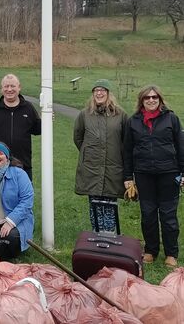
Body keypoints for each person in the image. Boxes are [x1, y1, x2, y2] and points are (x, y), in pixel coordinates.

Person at [124, 85, 184, 268]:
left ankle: (171, 253)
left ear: (160, 99)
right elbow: (127, 150)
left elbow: (181, 147)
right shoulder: (133, 121)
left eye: (155, 97)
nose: (151, 100)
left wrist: (183, 173)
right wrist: (128, 176)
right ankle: (150, 250)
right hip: (144, 174)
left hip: (169, 173)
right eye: (147, 97)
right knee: (148, 214)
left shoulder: (171, 119)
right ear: (141, 101)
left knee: (168, 215)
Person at [73, 79, 127, 232]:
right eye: (96, 90)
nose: (99, 93)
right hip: (92, 169)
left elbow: (126, 141)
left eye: (103, 90)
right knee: (95, 206)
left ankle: (110, 239)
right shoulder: (85, 115)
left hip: (113, 169)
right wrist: (89, 153)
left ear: (109, 93)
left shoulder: (120, 115)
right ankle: (97, 241)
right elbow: (78, 138)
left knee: (110, 207)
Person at [0, 74, 41, 180]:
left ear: (19, 87)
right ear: (1, 88)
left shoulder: (28, 108)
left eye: (13, 86)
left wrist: (47, 120)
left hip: (24, 166)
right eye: (6, 86)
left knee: (24, 196)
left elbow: (37, 129)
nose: (9, 89)